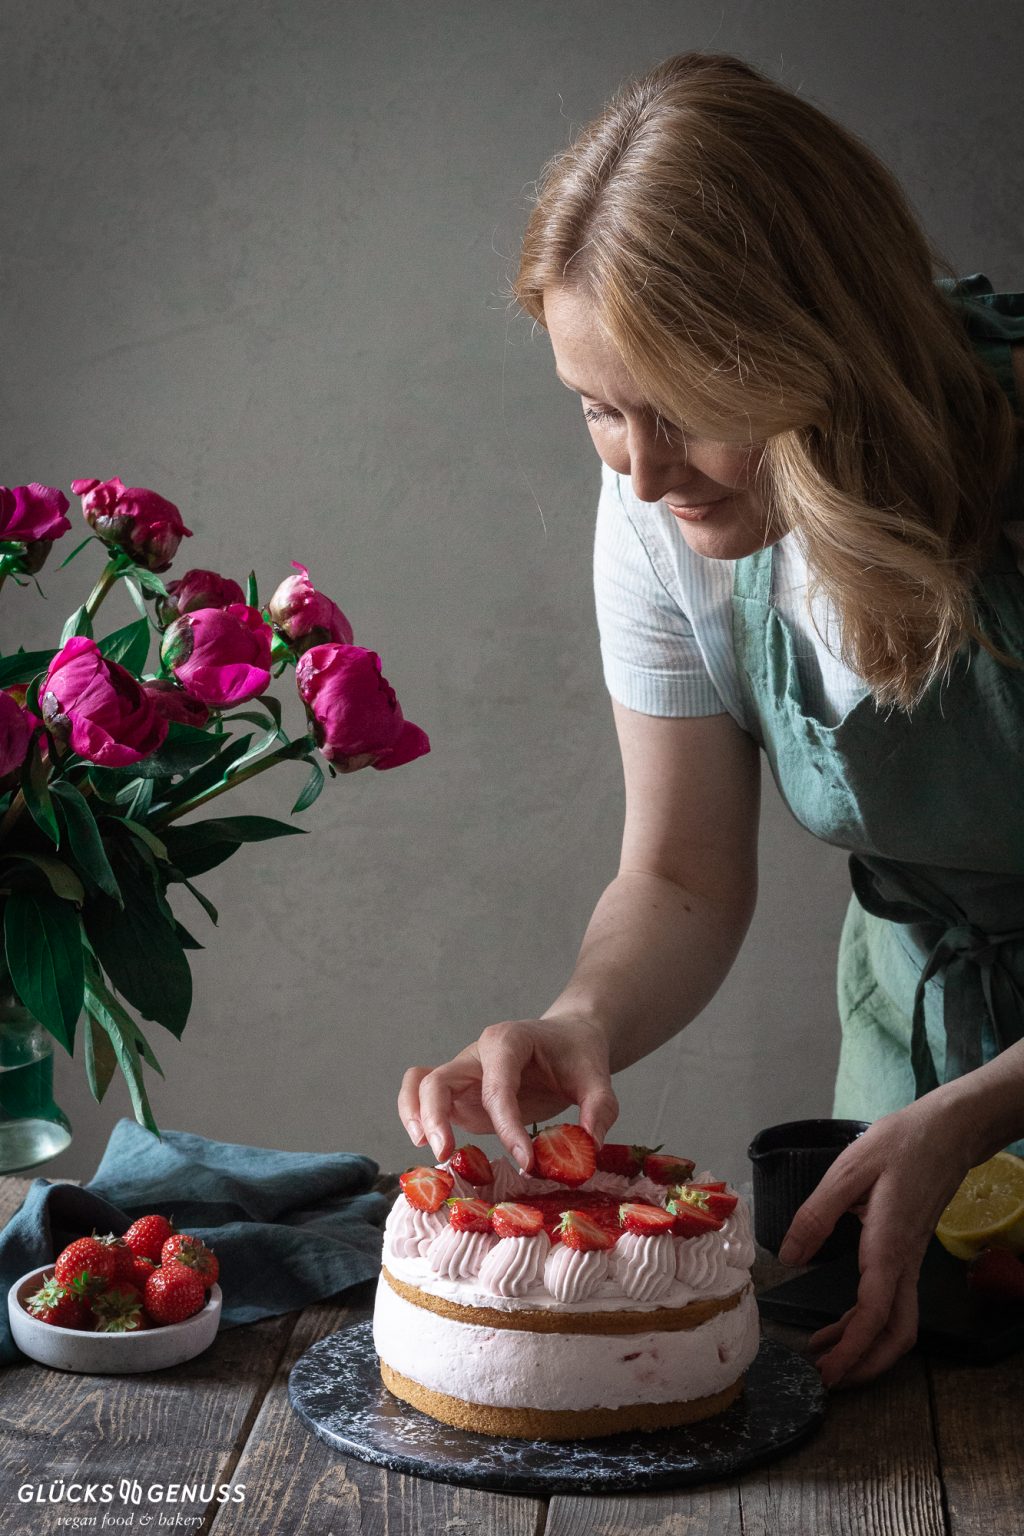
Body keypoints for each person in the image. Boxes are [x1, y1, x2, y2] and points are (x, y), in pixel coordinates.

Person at [398, 51, 1024, 1389]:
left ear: (821, 351)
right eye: (595, 408)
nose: (635, 465)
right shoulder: (662, 505)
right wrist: (584, 1021)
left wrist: (985, 1111)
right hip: (920, 1061)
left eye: (676, 409)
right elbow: (680, 871)